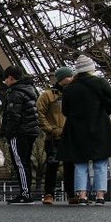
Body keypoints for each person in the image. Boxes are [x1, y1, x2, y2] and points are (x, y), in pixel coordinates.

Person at [60, 54, 111, 206]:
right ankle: (100, 195)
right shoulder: (100, 83)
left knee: (80, 164)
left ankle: (82, 195)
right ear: (91, 69)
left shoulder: (69, 88)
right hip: (99, 126)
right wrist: (103, 111)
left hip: (77, 129)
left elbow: (65, 111)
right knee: (100, 163)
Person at [0, 65, 40, 204]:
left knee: (20, 163)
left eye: (5, 80)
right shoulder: (29, 90)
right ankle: (26, 192)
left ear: (10, 78)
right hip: (30, 131)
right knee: (25, 162)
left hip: (19, 132)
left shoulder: (15, 92)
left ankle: (25, 194)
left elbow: (13, 115)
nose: (5, 82)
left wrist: (8, 134)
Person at [38, 67, 76, 205]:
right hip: (54, 136)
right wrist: (51, 130)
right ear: (61, 79)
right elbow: (40, 114)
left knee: (70, 166)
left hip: (70, 136)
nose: (71, 78)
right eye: (68, 77)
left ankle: (71, 194)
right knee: (52, 165)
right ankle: (49, 194)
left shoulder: (74, 93)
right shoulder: (47, 95)